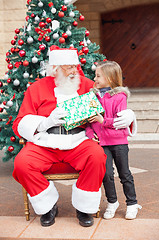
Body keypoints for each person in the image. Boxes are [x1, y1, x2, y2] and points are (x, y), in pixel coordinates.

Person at [12, 45, 136, 227]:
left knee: (97, 157)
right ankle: (48, 206)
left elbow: (113, 95)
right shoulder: (36, 88)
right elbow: (19, 123)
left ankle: (84, 207)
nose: (75, 70)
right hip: (45, 142)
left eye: (75, 66)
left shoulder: (86, 84)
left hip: (79, 140)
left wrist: (129, 115)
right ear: (55, 68)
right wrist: (46, 122)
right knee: (22, 164)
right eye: (69, 67)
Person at [86, 60, 141, 221]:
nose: (94, 79)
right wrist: (90, 133)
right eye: (95, 75)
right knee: (106, 174)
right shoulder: (92, 96)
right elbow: (88, 121)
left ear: (110, 78)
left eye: (98, 76)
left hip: (119, 142)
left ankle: (132, 204)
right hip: (101, 143)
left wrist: (103, 121)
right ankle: (112, 202)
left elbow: (119, 122)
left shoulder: (120, 97)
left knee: (125, 173)